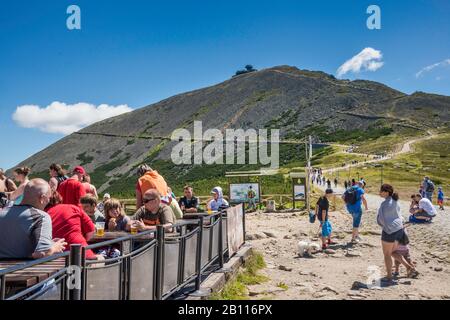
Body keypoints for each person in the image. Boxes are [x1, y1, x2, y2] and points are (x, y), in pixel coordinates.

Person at [0, 179, 66, 259]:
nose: (48, 201)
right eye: (48, 198)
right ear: (42, 198)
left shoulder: (3, 211)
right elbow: (41, 253)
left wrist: (48, 243)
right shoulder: (40, 217)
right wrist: (55, 247)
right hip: (21, 269)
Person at [376, 184, 419, 283]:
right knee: (393, 252)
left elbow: (381, 219)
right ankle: (409, 268)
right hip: (399, 229)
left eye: (381, 191)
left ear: (386, 192)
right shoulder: (396, 201)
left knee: (387, 254)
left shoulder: (384, 204)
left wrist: (382, 225)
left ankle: (389, 276)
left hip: (389, 231)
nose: (379, 193)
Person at [45, 191, 102, 260]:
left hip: (52, 258)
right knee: (101, 258)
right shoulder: (73, 208)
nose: (85, 209)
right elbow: (91, 232)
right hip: (80, 255)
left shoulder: (39, 215)